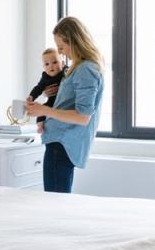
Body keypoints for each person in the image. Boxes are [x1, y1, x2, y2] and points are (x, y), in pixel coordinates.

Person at [25, 17, 105, 193]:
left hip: (61, 145)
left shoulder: (86, 69)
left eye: (61, 47)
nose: (60, 53)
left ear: (74, 41)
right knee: (59, 202)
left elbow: (82, 116)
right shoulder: (79, 68)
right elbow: (71, 102)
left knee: (55, 203)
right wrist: (55, 94)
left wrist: (43, 109)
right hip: (59, 143)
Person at [26, 48, 67, 134]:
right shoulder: (45, 77)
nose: (51, 66)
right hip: (51, 102)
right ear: (44, 67)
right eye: (47, 64)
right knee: (42, 109)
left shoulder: (66, 72)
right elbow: (38, 88)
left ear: (62, 63)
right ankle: (40, 125)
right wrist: (31, 96)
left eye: (55, 62)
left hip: (64, 102)